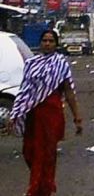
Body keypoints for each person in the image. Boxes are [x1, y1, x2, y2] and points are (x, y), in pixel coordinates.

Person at [8, 29, 83, 196]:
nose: (47, 44)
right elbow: (24, 91)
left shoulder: (61, 64)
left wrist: (77, 117)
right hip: (33, 114)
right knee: (29, 151)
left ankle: (40, 189)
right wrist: (15, 113)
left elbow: (68, 91)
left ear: (56, 44)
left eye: (51, 41)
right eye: (45, 40)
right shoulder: (31, 64)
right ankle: (41, 184)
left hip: (52, 114)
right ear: (40, 43)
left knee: (47, 153)